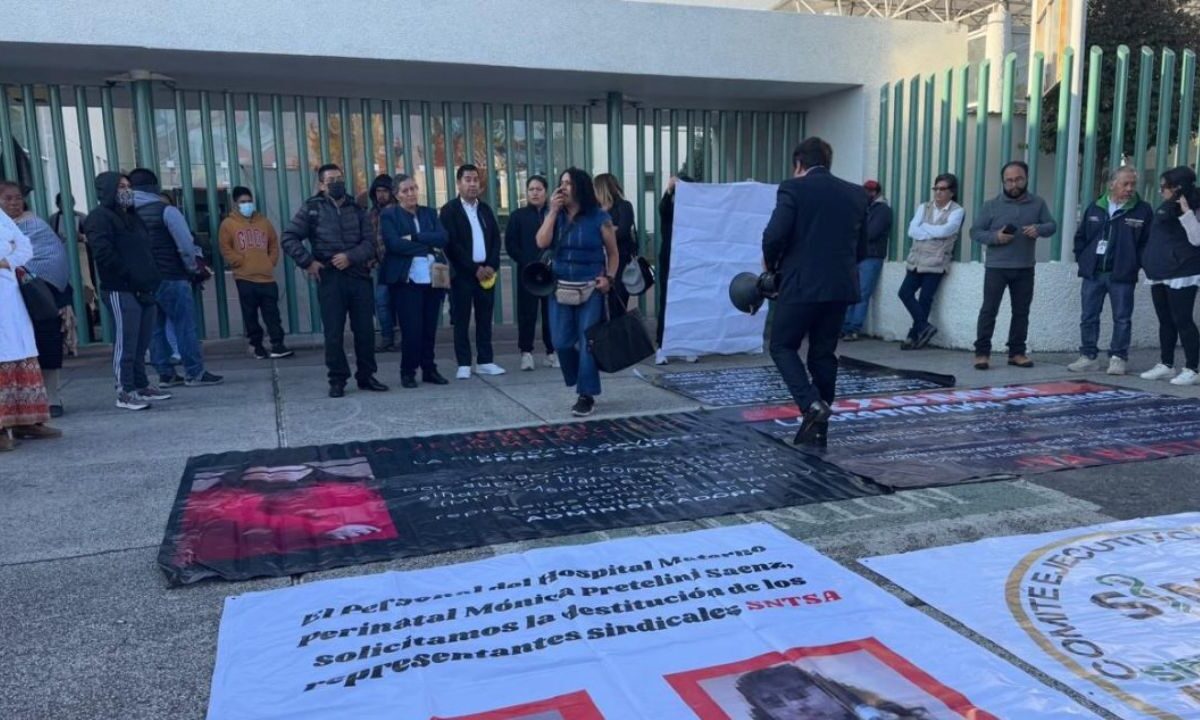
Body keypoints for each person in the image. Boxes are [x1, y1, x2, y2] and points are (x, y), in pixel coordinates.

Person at [762, 137, 867, 447]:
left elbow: (773, 235)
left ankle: (811, 405)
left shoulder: (793, 188)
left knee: (782, 345)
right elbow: (860, 249)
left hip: (800, 283)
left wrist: (772, 267)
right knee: (823, 354)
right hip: (839, 286)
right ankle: (819, 428)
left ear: (799, 164)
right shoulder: (856, 193)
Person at [282, 163, 388, 397]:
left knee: (365, 331)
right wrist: (308, 262)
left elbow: (370, 244)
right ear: (322, 184)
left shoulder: (357, 208)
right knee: (334, 333)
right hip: (330, 278)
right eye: (331, 180)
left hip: (358, 276)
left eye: (339, 178)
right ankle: (337, 379)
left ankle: (367, 376)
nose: (336, 183)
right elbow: (289, 237)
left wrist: (350, 257)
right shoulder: (312, 209)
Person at [126, 168, 223, 388]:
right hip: (171, 275)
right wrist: (191, 268)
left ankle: (165, 373)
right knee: (184, 325)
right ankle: (194, 372)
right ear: (155, 187)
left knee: (155, 327)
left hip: (143, 280)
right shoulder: (166, 211)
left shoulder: (125, 215)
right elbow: (186, 245)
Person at [535, 167, 620, 416]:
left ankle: (586, 393)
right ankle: (577, 378)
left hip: (590, 288)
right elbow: (541, 242)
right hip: (560, 287)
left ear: (580, 187)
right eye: (561, 182)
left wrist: (610, 278)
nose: (563, 188)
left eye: (569, 184)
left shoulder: (598, 217)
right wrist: (552, 212)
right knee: (561, 341)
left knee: (587, 342)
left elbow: (614, 253)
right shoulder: (556, 215)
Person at [83, 173, 170, 410]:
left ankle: (140, 384)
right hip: (120, 288)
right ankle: (124, 390)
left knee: (142, 341)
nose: (127, 191)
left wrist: (151, 276)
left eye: (128, 186)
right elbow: (103, 253)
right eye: (121, 186)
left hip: (144, 287)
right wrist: (128, 275)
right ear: (109, 189)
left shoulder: (132, 217)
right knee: (126, 341)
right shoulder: (99, 218)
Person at [969, 161, 1057, 370]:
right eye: (1009, 180)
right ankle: (982, 353)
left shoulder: (1038, 203)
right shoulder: (991, 205)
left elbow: (1051, 225)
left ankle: (1017, 352)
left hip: (1025, 266)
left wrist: (1039, 229)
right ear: (1003, 182)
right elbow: (975, 232)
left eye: (1018, 179)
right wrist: (996, 237)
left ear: (1026, 178)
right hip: (996, 267)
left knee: (1021, 311)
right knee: (989, 310)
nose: (1013, 184)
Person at [1068, 167, 1151, 377]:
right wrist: (1083, 259)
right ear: (1112, 184)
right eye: (1125, 184)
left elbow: (1147, 243)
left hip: (1122, 275)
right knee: (1088, 316)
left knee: (1122, 318)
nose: (1130, 188)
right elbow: (1081, 237)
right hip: (1094, 274)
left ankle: (1118, 358)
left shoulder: (1142, 210)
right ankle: (1088, 356)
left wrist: (1135, 263)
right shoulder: (1096, 207)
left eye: (1133, 184)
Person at [1, 182, 71, 417]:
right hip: (11, 299)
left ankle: (51, 398)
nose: (13, 203)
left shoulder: (32, 224)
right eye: (7, 198)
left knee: (46, 343)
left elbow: (42, 256)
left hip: (41, 294)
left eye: (17, 198)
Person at [380, 173, 450, 388]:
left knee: (429, 328)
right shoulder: (390, 215)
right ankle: (408, 371)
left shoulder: (428, 213)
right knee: (412, 330)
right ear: (397, 195)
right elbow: (394, 245)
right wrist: (428, 245)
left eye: (413, 188)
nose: (411, 193)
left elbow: (443, 238)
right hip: (406, 281)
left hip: (433, 279)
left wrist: (416, 238)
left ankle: (429, 369)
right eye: (405, 190)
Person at [0, 209, 62, 450]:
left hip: (12, 296)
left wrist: (7, 261)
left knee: (20, 350)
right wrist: (8, 251)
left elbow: (25, 247)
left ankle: (27, 421)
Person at [440, 163, 505, 379]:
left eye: (475, 179)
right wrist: (473, 268)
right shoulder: (450, 210)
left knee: (485, 318)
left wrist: (490, 265)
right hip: (463, 275)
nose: (472, 184)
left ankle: (485, 360)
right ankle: (464, 363)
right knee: (461, 318)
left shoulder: (485, 209)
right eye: (467, 179)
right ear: (458, 183)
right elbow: (452, 245)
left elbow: (495, 239)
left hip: (486, 273)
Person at [1140, 166, 1200, 385]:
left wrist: (1187, 213)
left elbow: (1197, 239)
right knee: (1165, 320)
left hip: (1183, 272)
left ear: (1178, 188)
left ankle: (1192, 367)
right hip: (1160, 271)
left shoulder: (1193, 206)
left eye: (1165, 187)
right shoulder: (1165, 207)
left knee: (1182, 319)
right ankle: (1166, 364)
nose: (1161, 191)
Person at [218, 185, 292, 360]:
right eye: (243, 202)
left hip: (266, 277)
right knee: (250, 314)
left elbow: (274, 243)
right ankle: (257, 345)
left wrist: (270, 261)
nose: (247, 205)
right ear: (235, 204)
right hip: (245, 277)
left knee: (272, 313)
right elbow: (225, 247)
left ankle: (278, 344)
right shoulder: (228, 224)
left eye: (249, 201)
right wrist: (239, 261)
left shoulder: (264, 222)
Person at [897, 173, 963, 350]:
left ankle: (914, 336)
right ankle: (924, 327)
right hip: (916, 259)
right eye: (936, 189)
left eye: (943, 189)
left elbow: (946, 231)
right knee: (904, 293)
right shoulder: (924, 207)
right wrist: (934, 231)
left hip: (937, 261)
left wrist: (924, 228)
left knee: (925, 299)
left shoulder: (957, 210)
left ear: (952, 192)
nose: (938, 192)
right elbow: (912, 230)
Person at [504, 175, 556, 371]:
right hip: (527, 272)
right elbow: (510, 244)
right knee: (527, 313)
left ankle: (551, 352)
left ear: (546, 192)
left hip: (550, 272)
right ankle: (526, 353)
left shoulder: (554, 215)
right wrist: (526, 261)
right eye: (531, 189)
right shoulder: (518, 216)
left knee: (550, 313)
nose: (535, 193)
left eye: (539, 189)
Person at [842, 179, 893, 341]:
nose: (866, 194)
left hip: (871, 256)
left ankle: (853, 328)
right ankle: (845, 326)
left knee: (862, 293)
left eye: (870, 191)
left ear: (876, 193)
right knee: (851, 292)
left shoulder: (883, 210)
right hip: (858, 254)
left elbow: (871, 232)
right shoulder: (864, 207)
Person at [654, 173, 697, 365]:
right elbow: (662, 208)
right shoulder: (669, 206)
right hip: (670, 259)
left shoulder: (696, 210)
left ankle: (685, 344)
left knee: (688, 302)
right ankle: (662, 346)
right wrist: (670, 189)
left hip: (691, 260)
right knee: (668, 302)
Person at [49, 191, 96, 350]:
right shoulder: (53, 219)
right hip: (62, 260)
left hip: (81, 260)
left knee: (85, 294)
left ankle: (88, 331)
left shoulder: (82, 218)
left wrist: (80, 237)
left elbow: (92, 239)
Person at [594, 172, 636, 318]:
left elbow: (623, 231)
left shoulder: (623, 206)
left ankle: (618, 338)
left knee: (617, 302)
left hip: (621, 262)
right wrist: (611, 229)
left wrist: (604, 232)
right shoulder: (595, 210)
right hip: (599, 262)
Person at [366, 174, 399, 352]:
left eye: (385, 191)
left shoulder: (399, 211)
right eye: (378, 191)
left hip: (401, 265)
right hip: (382, 266)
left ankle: (404, 338)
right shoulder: (372, 214)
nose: (381, 195)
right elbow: (369, 240)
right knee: (382, 302)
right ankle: (387, 338)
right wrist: (372, 261)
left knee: (402, 304)